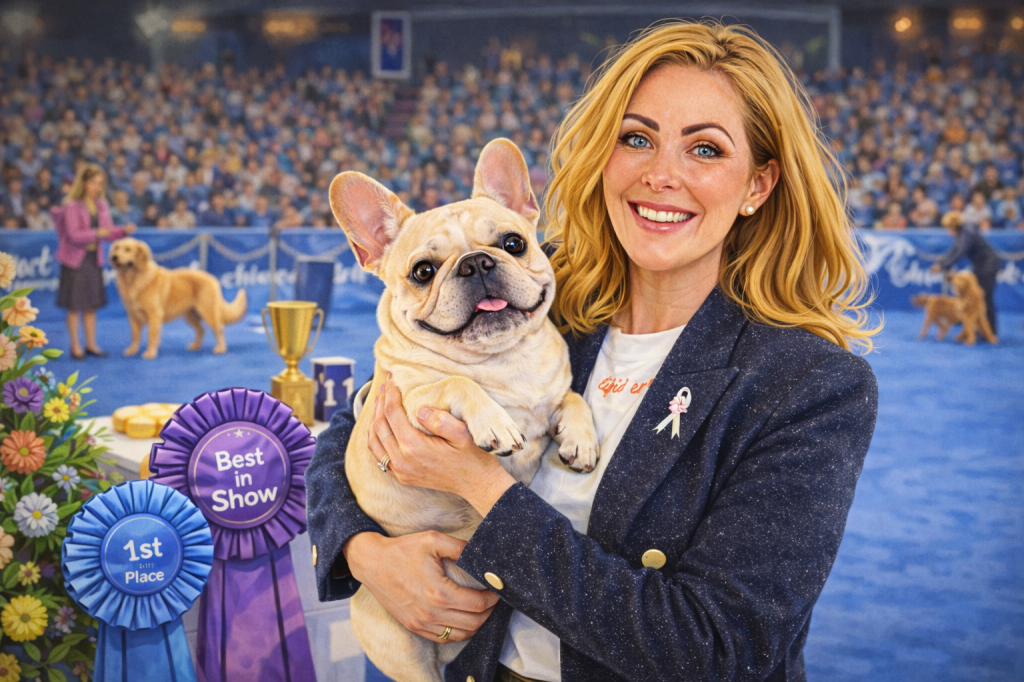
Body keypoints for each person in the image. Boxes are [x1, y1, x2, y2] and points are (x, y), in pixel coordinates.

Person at [306, 21, 879, 682]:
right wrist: (367, 554)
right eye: (637, 139)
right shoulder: (531, 293)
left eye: (705, 149)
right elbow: (352, 425)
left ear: (757, 184)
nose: (662, 174)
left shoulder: (808, 384)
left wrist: (481, 487)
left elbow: (717, 648)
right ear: (604, 157)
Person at [53, 164, 136, 359]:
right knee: (74, 306)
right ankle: (75, 346)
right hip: (74, 261)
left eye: (100, 183)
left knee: (91, 305)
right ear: (83, 183)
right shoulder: (71, 205)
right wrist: (97, 233)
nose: (97, 187)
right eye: (93, 182)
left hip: (93, 259)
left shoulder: (102, 205)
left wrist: (122, 231)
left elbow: (108, 233)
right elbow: (73, 235)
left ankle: (91, 345)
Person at [931, 210, 1001, 336]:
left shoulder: (966, 233)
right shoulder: (963, 231)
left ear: (953, 226)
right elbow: (954, 250)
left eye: (948, 228)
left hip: (988, 266)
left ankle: (990, 331)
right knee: (977, 298)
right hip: (981, 266)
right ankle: (979, 328)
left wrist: (942, 265)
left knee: (984, 298)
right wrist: (941, 263)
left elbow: (959, 252)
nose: (947, 232)